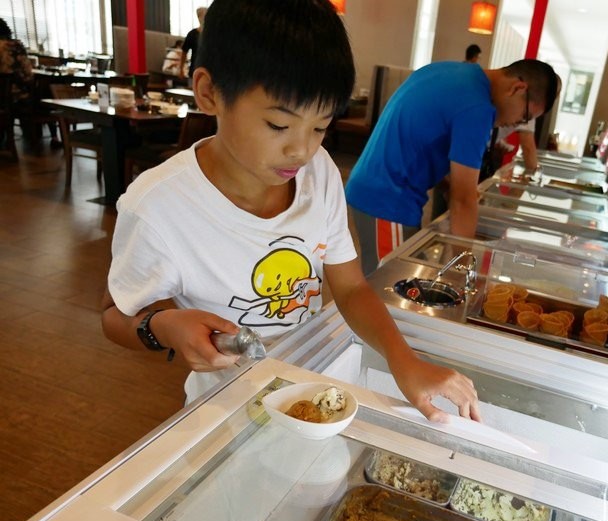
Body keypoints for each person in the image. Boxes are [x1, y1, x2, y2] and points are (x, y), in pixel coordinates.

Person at [101, 0, 480, 423]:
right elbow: (115, 314)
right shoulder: (159, 205)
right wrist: (165, 327)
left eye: (319, 127)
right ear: (209, 93)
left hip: (314, 386)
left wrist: (403, 361)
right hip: (228, 409)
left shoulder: (320, 175)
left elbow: (351, 288)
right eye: (279, 125)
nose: (301, 150)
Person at [346, 59, 559, 274]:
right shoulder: (479, 108)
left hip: (377, 187)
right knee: (389, 285)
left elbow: (422, 140)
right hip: (386, 198)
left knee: (402, 276)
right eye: (524, 117)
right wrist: (462, 269)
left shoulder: (451, 71)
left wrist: (449, 186)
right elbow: (464, 199)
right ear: (517, 88)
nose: (516, 124)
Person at [0, 18, 34, 103]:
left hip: (4, 94)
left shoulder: (1, 47)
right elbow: (28, 72)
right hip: (22, 90)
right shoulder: (18, 45)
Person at [179, 6, 207, 81]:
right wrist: (181, 69)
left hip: (209, 71)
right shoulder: (192, 34)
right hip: (194, 71)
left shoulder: (211, 34)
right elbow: (184, 52)